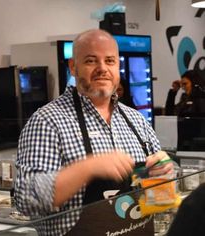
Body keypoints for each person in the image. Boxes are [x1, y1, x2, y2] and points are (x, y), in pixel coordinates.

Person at [14, 29, 174, 236]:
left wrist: (163, 175)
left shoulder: (136, 121)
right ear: (73, 67)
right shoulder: (47, 121)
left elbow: (160, 200)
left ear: (118, 66)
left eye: (109, 61)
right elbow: (26, 201)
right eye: (91, 61)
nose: (102, 69)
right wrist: (87, 169)